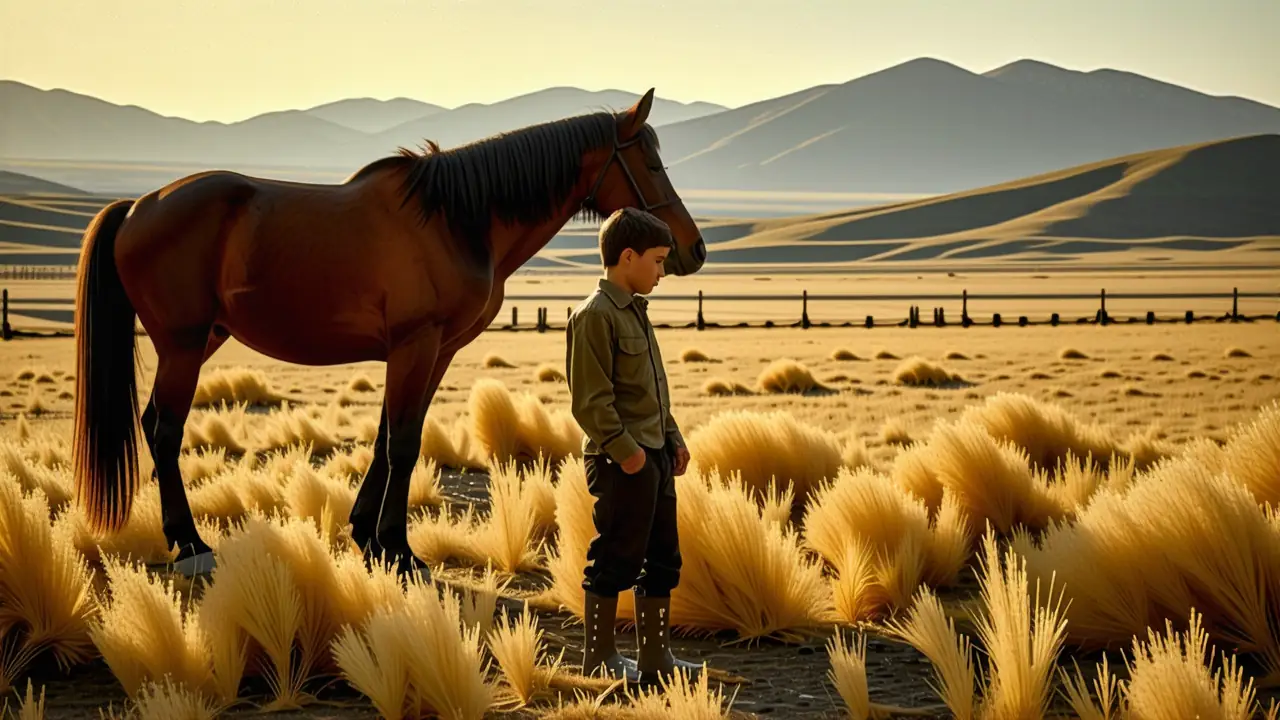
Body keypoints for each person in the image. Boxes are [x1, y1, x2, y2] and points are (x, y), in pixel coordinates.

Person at [565, 207, 703, 686]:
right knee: (615, 558)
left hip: (654, 455)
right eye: (658, 261)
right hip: (620, 461)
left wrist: (673, 441)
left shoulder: (636, 312)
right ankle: (599, 659)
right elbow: (590, 400)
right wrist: (629, 454)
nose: (663, 272)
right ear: (628, 257)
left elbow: (652, 391)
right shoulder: (594, 316)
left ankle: (655, 660)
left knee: (663, 558)